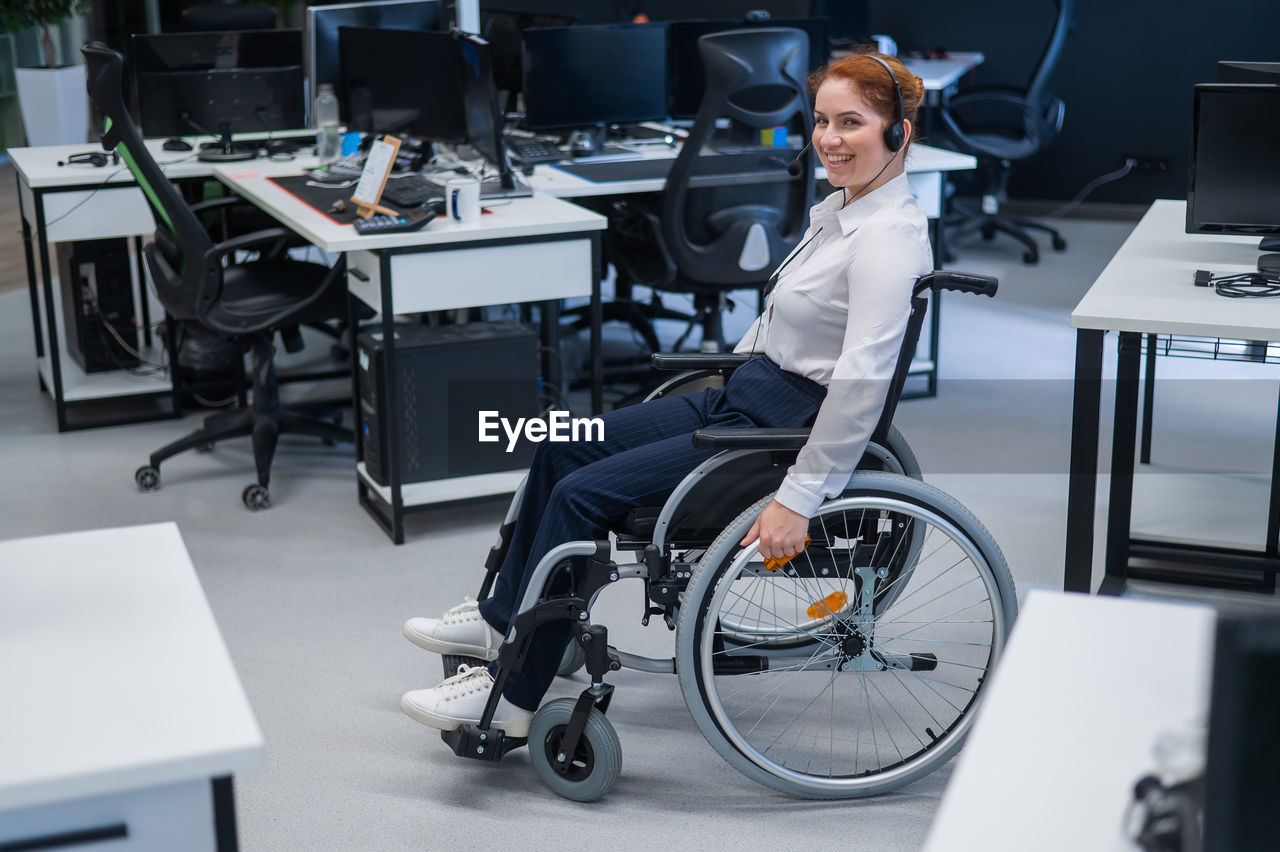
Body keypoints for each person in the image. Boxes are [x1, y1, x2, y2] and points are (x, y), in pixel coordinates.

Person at [399, 51, 932, 737]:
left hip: (784, 429)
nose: (828, 138)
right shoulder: (842, 213)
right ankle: (505, 616)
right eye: (823, 119)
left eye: (851, 122)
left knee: (580, 494)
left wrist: (799, 497)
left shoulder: (886, 241)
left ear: (899, 135)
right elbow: (787, 328)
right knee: (562, 443)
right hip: (749, 392)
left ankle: (515, 697)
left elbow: (861, 383)